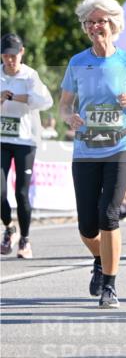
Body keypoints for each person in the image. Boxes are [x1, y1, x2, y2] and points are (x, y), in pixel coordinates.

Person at [59, 0, 126, 308]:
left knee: (108, 213)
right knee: (86, 225)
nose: (97, 26)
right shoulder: (77, 62)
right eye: (91, 21)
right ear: (85, 27)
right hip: (86, 150)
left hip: (121, 147)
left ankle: (110, 286)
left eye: (102, 21)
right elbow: (64, 105)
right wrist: (69, 117)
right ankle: (100, 258)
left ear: (114, 25)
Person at [1, 33, 53, 258]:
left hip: (25, 140)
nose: (10, 60)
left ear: (21, 53)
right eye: (5, 56)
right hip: (2, 139)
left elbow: (46, 101)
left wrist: (17, 98)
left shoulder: (30, 75)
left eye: (14, 55)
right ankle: (9, 228)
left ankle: (25, 239)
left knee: (21, 193)